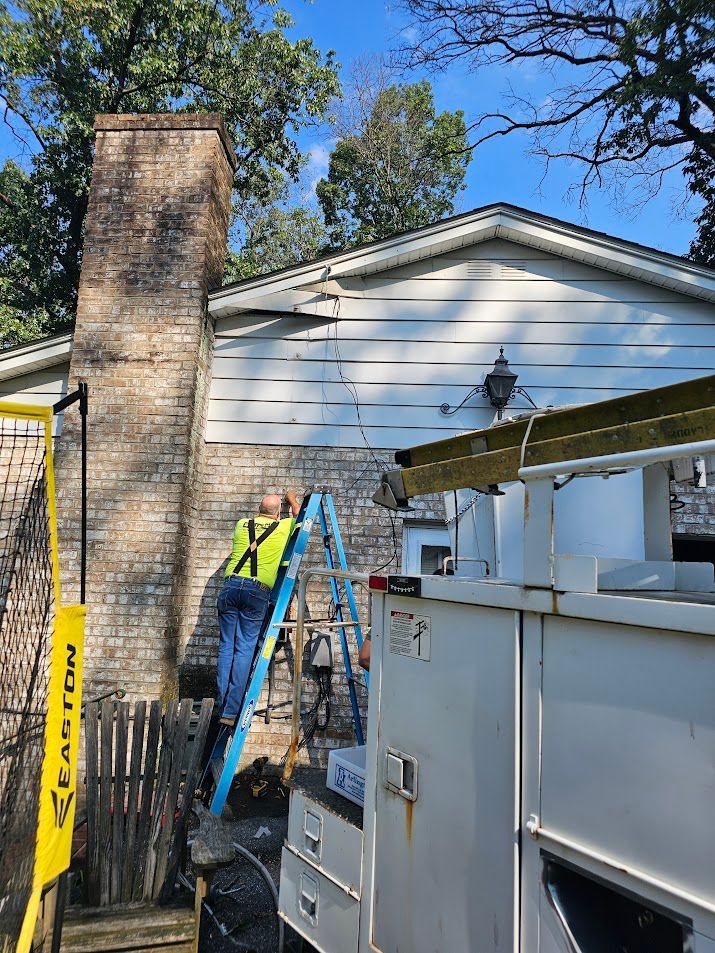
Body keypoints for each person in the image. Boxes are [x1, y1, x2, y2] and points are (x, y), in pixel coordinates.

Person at [216, 490, 301, 727]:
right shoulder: (283, 526)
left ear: (258, 510)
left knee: (226, 648)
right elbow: (299, 514)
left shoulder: (243, 524)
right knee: (244, 650)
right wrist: (292, 498)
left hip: (230, 587)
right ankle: (231, 711)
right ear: (277, 514)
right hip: (256, 591)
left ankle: (223, 705)